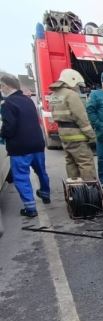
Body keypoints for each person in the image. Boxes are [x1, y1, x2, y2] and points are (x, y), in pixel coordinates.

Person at [0, 74, 50, 217]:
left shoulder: (7, 104)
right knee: (41, 171)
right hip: (37, 144)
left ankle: (30, 208)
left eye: (1, 86)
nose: (1, 90)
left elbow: (9, 127)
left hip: (20, 147)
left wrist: (2, 134)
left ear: (7, 86)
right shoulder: (28, 101)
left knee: (21, 177)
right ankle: (45, 194)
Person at [48, 69, 96, 180]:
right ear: (72, 81)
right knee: (85, 162)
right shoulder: (71, 95)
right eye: (77, 85)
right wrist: (92, 136)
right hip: (77, 135)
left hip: (63, 135)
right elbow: (81, 118)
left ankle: (74, 189)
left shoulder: (54, 95)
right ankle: (89, 191)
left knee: (70, 162)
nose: (78, 88)